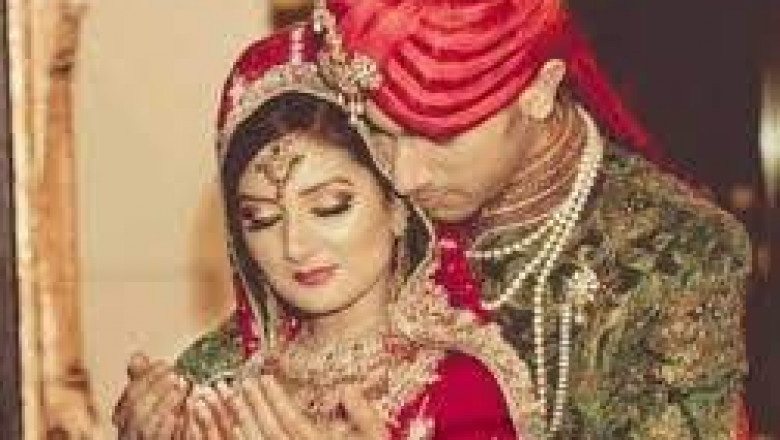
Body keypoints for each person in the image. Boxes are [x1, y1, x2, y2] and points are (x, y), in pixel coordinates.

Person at [116, 0, 752, 438]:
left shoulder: (678, 253)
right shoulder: (386, 189)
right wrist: (173, 408)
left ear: (537, 89)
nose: (405, 173)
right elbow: (277, 336)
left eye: (438, 137)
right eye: (381, 132)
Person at [114, 25, 539, 439]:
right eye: (262, 219)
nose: (295, 246)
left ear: (397, 206)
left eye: (330, 207)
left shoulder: (459, 390)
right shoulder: (218, 383)